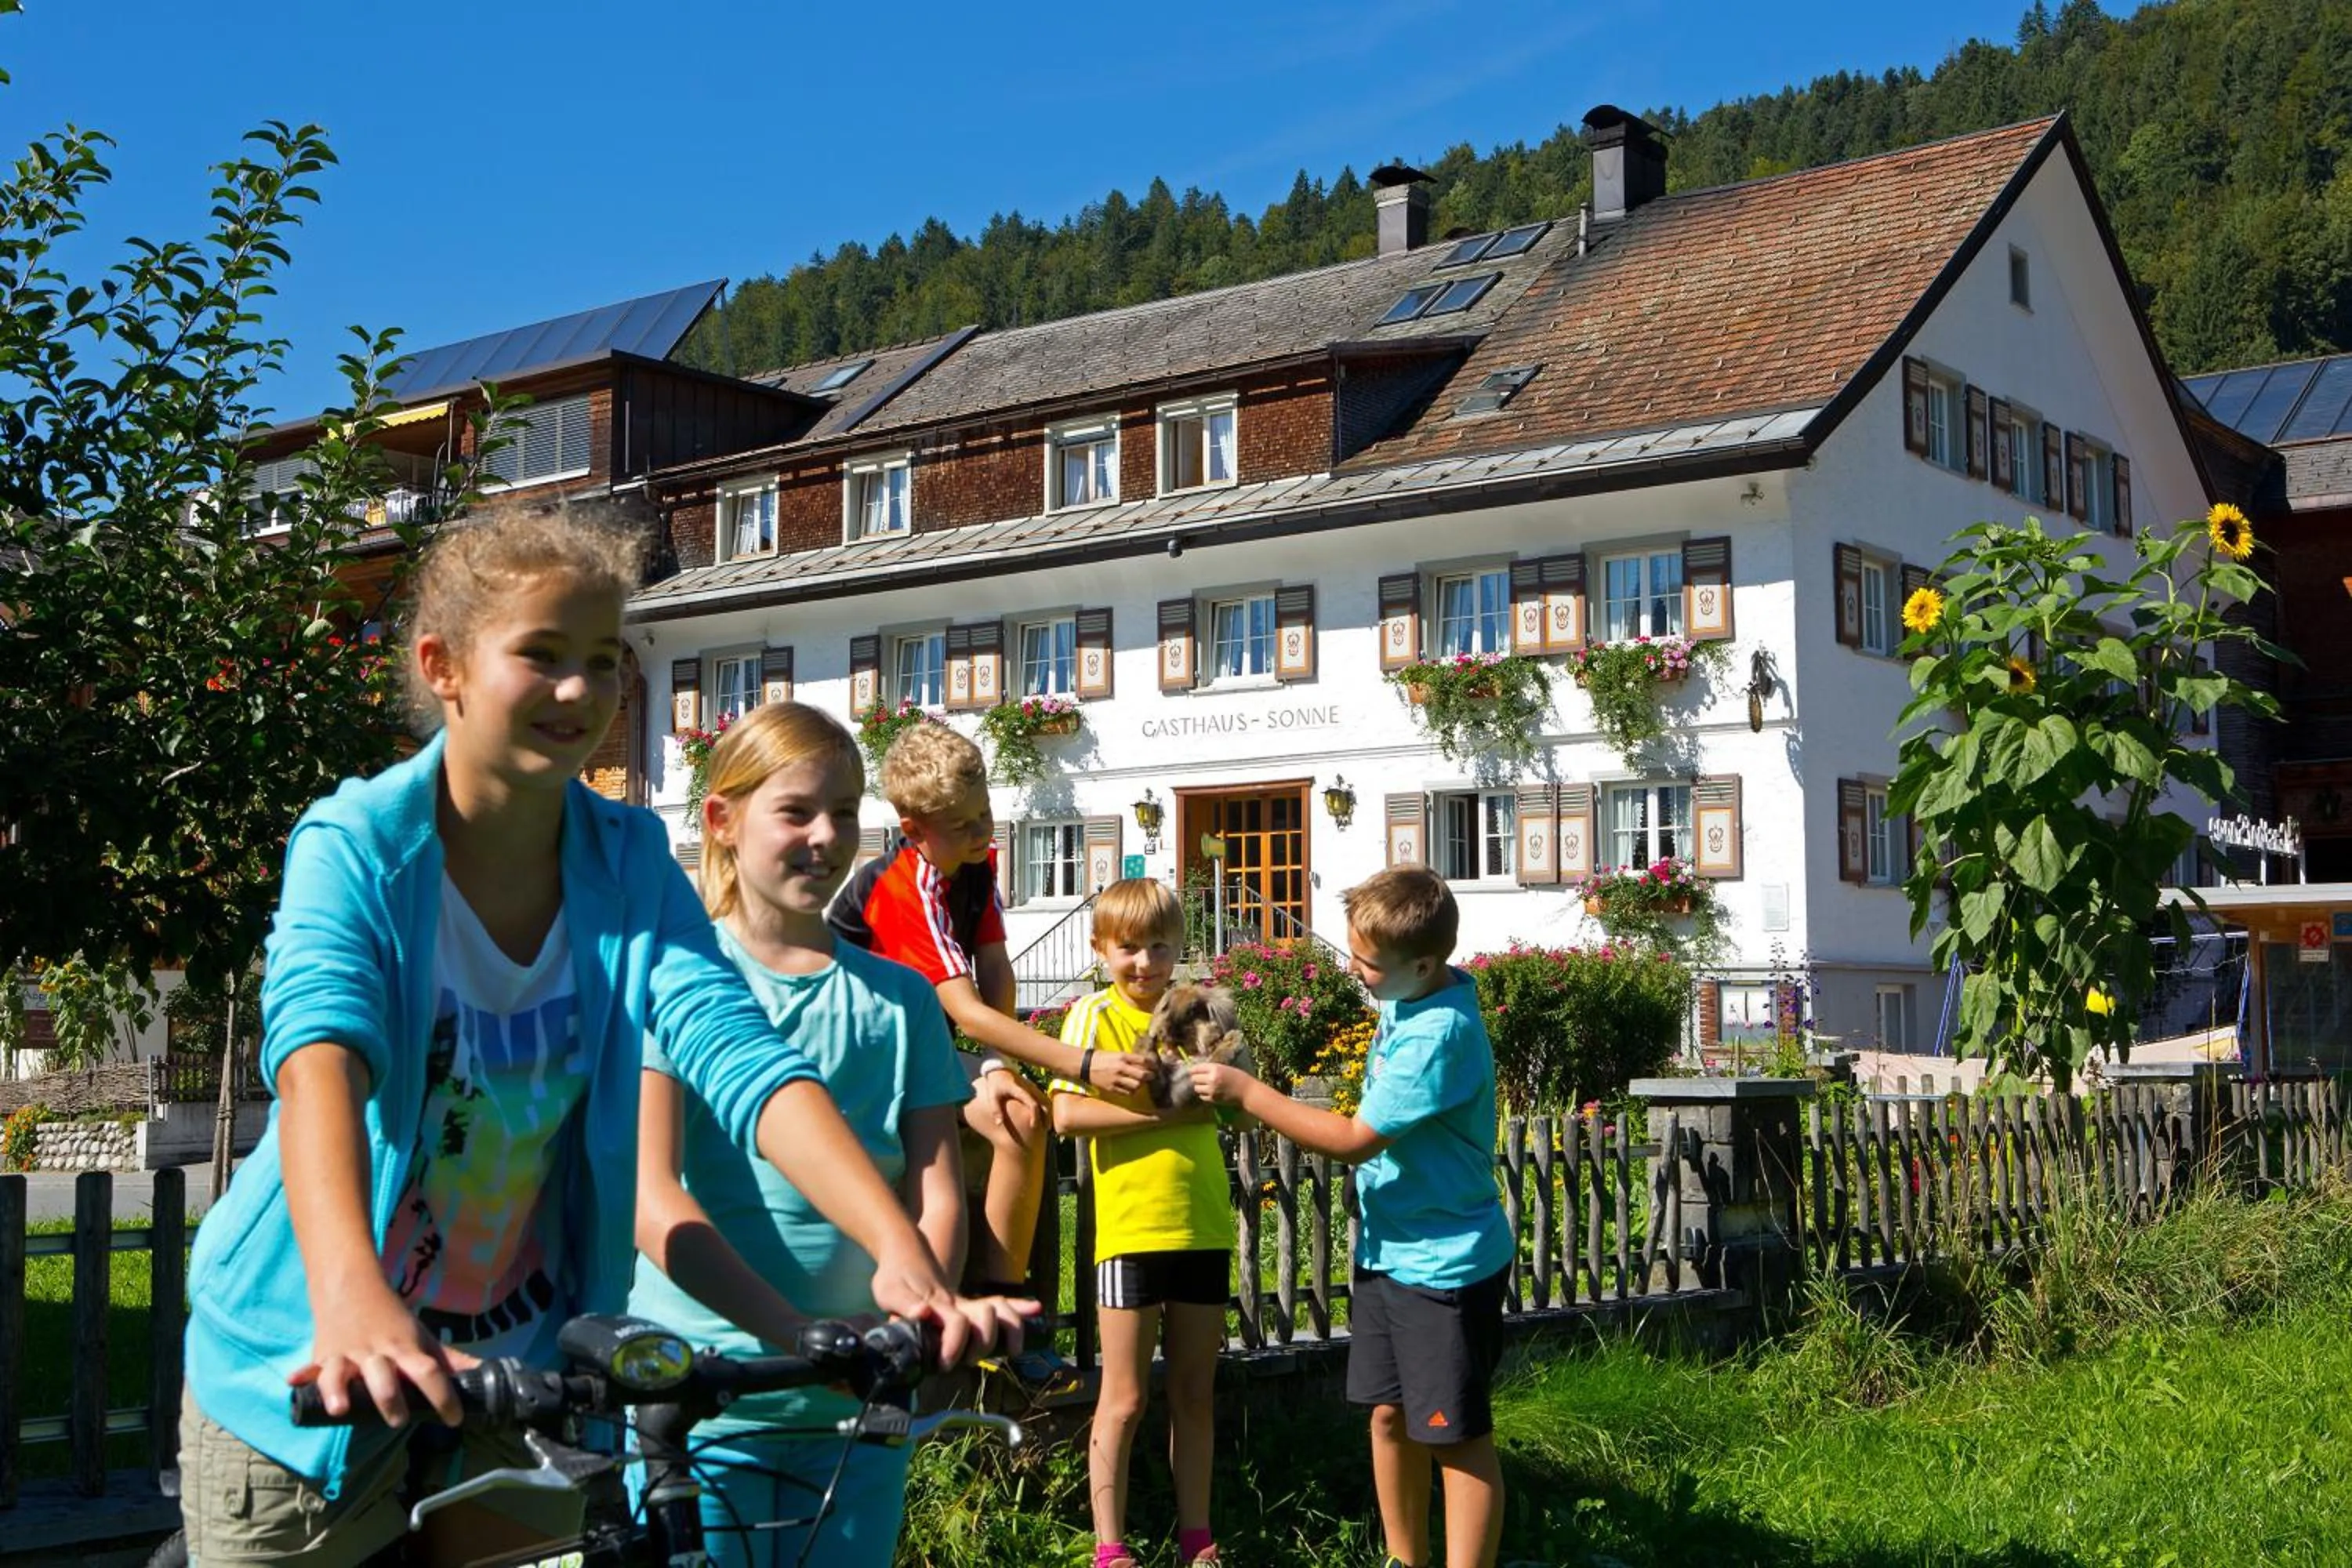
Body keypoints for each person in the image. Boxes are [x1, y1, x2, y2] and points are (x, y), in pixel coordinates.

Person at [178, 507, 1015, 1568]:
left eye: (603, 659)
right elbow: (319, 1061)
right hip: (313, 1358)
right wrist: (350, 1295)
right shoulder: (360, 844)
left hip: (522, 1371)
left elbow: (741, 1056)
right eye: (540, 654)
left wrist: (901, 1253)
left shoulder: (628, 859)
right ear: (443, 666)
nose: (579, 690)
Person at [630, 701, 976, 1568]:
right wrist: (793, 1332)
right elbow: (651, 1193)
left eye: (845, 813)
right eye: (796, 811)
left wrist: (917, 1312)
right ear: (722, 819)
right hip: (700, 1400)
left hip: (860, 1407)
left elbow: (937, 1190)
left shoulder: (901, 1001)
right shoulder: (676, 982)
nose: (826, 836)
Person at [1186, 866, 1512, 1568]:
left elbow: (1355, 1139)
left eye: (1367, 962)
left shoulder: (1438, 1034)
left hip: (1444, 1264)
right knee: (1390, 1416)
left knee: (1455, 1436)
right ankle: (1404, 1560)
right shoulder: (1412, 994)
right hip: (1392, 1252)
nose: (1356, 972)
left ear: (1422, 964)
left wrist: (1251, 1093)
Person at [827, 722, 1151, 1330]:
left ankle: (1006, 1310)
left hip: (916, 1048)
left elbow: (995, 969)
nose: (982, 833)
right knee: (981, 1133)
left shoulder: (973, 862)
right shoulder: (902, 886)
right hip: (857, 1058)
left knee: (1021, 1113)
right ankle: (951, 1314)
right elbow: (966, 1009)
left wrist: (1000, 1065)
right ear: (913, 831)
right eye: (963, 825)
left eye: (985, 815)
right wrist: (1083, 1064)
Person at [1047, 880, 1232, 1568]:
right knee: (1123, 1400)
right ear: (1100, 949)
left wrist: (1217, 1094)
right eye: (1128, 947)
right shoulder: (1090, 1017)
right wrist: (1165, 1111)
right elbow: (1066, 1116)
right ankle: (1110, 1547)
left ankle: (1197, 1540)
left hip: (1202, 1224)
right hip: (1130, 1232)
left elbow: (1234, 1104)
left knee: (1194, 1395)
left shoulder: (1201, 1013)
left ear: (1179, 946)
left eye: (1159, 946)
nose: (1145, 962)